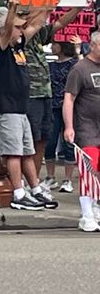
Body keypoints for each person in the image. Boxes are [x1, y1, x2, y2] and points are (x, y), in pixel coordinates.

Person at [0, 0, 54, 212]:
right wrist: (12, 8)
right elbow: (7, 29)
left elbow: (35, 25)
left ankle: (34, 189)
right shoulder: (2, 45)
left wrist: (47, 6)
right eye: (17, 27)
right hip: (5, 108)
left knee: (27, 151)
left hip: (19, 108)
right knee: (14, 152)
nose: (20, 30)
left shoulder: (18, 46)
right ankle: (18, 193)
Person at [24, 3, 84, 184]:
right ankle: (28, 182)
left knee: (43, 138)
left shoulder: (40, 36)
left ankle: (35, 180)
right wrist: (47, 6)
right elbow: (37, 23)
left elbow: (59, 25)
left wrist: (77, 8)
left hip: (45, 94)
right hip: (31, 94)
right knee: (32, 140)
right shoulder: (22, 37)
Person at [63, 30, 100, 231]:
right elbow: (69, 99)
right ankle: (86, 215)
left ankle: (95, 208)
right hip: (86, 129)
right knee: (88, 173)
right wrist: (69, 127)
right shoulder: (80, 69)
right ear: (93, 46)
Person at [43, 37, 81, 193]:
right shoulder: (49, 64)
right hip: (52, 106)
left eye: (55, 43)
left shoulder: (74, 65)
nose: (52, 46)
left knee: (69, 143)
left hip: (69, 107)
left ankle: (67, 179)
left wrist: (78, 50)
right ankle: (50, 176)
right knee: (50, 141)